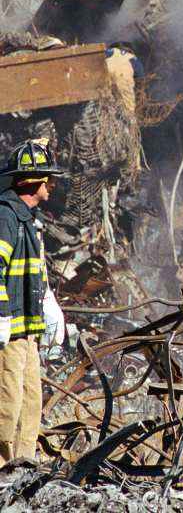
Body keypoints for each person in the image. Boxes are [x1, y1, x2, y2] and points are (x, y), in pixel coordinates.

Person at [0, 139, 66, 466]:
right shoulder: (6, 217)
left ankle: (22, 467)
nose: (52, 184)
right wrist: (0, 317)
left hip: (27, 332)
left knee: (30, 401)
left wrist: (49, 307)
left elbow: (33, 275)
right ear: (32, 181)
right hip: (9, 332)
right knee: (6, 403)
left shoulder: (28, 221)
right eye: (47, 178)